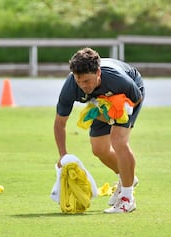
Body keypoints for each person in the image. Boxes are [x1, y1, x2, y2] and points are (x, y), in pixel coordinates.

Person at [54, 47, 144, 214]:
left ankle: (127, 198)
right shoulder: (70, 87)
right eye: (78, 81)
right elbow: (60, 123)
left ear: (98, 73)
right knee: (99, 149)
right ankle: (128, 176)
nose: (82, 86)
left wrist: (117, 112)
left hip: (127, 97)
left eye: (86, 81)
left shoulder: (117, 79)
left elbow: (137, 97)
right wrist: (63, 155)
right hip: (100, 102)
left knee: (118, 140)